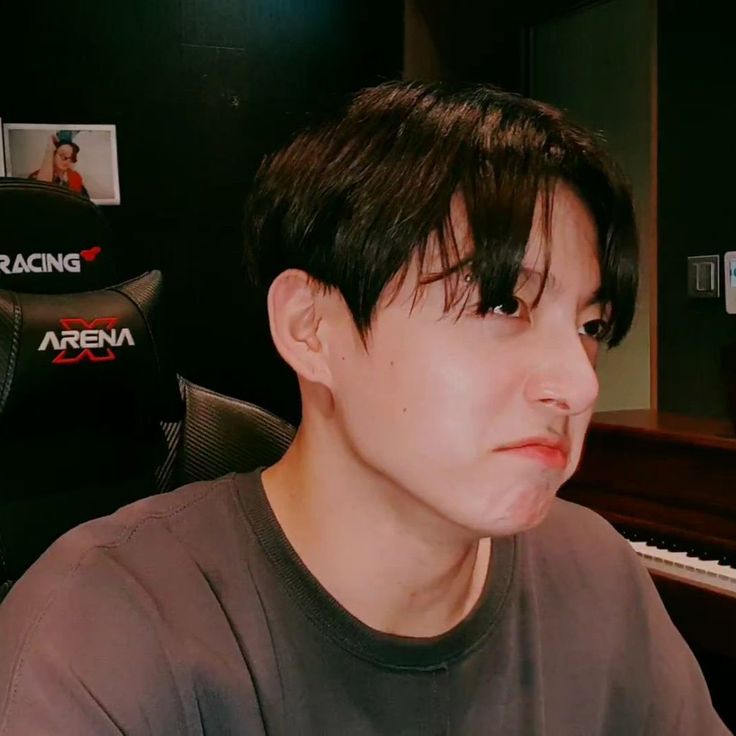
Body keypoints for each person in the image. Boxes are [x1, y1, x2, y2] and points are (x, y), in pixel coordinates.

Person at [0, 82, 729, 735]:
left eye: (590, 327)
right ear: (312, 330)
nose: (578, 385)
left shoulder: (595, 572)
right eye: (504, 303)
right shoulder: (101, 636)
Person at [29, 132, 89, 198]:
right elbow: (41, 195)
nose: (67, 161)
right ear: (53, 154)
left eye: (71, 158)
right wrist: (49, 149)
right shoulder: (37, 176)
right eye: (63, 156)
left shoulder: (75, 177)